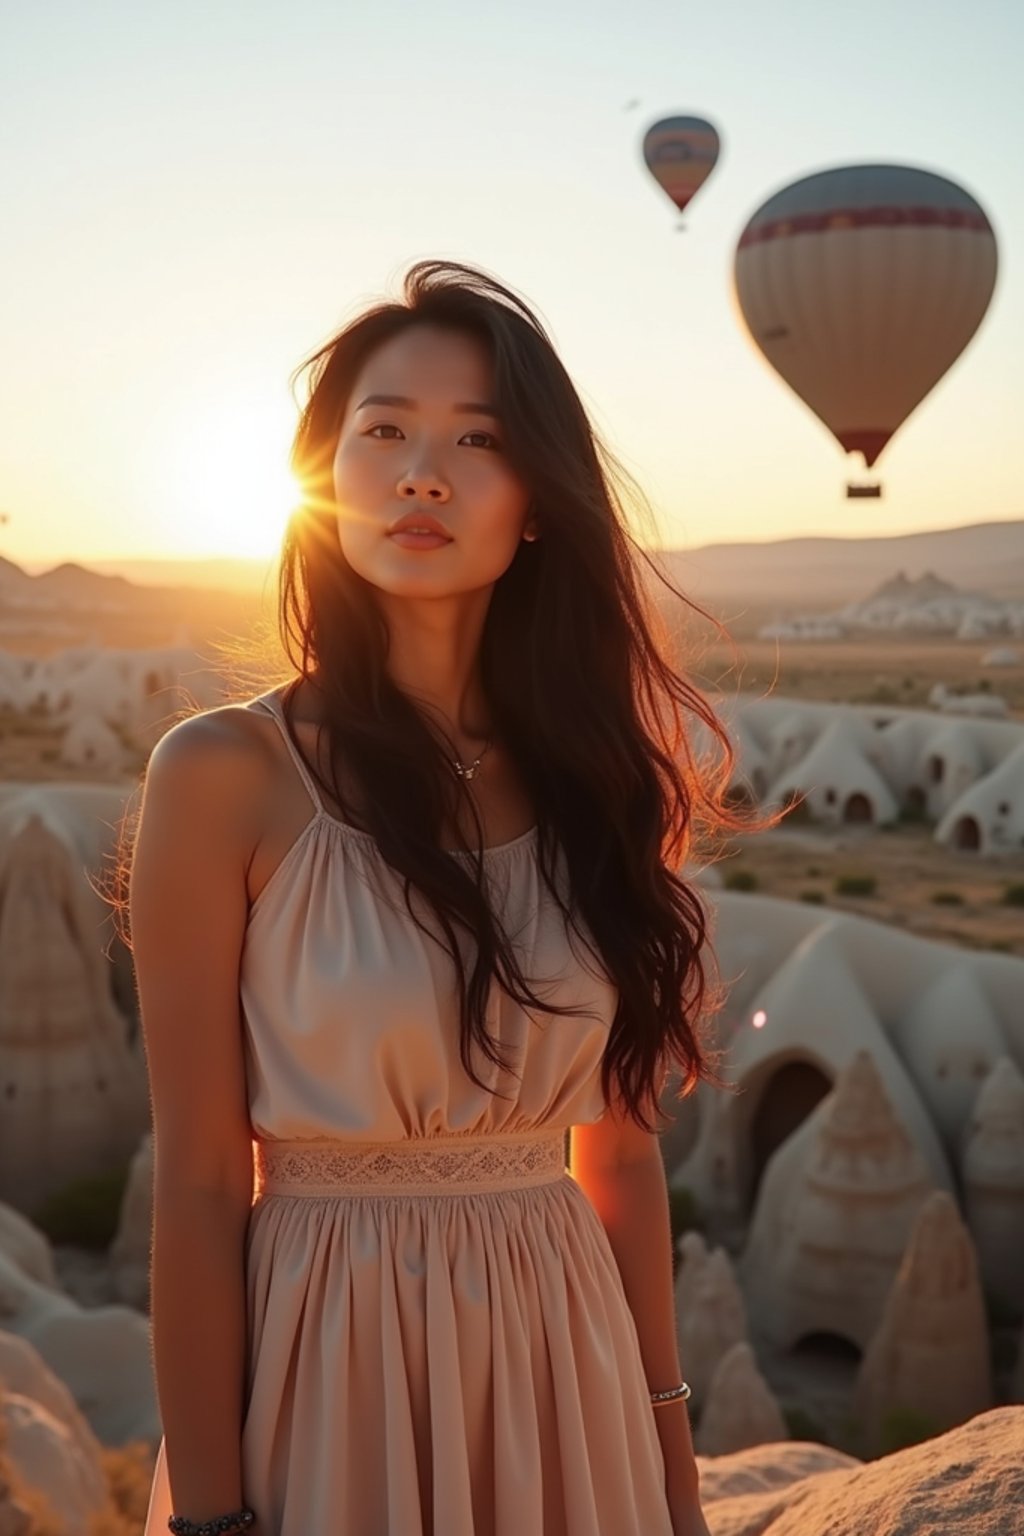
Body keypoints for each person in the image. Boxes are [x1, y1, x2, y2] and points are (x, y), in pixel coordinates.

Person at [129, 259, 759, 1536]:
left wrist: (674, 1480)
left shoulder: (603, 786)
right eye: (384, 431)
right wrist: (209, 1517)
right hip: (328, 1364)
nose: (423, 472)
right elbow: (199, 1183)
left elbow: (622, 1164)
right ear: (322, 484)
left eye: (478, 439)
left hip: (565, 1380)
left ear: (536, 503)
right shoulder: (225, 774)